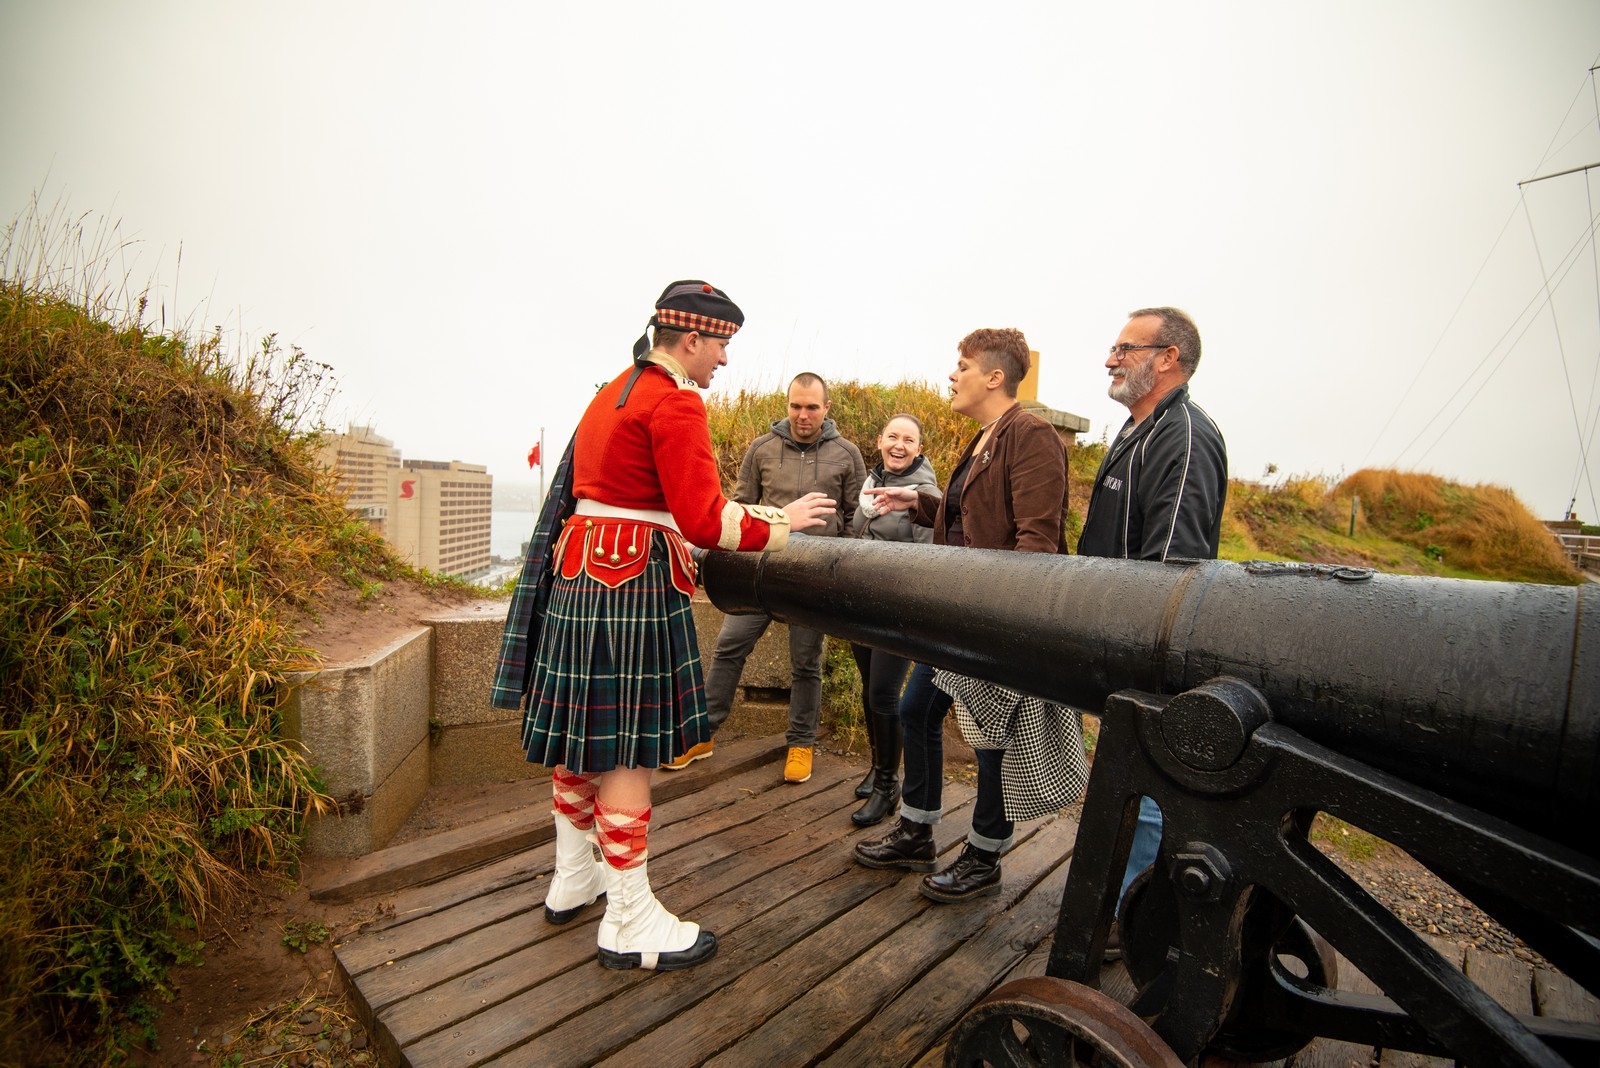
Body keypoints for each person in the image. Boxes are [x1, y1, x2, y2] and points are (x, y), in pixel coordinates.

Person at [490, 280, 834, 972]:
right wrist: (783, 523)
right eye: (722, 347)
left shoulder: (613, 389)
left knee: (583, 737)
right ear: (693, 339)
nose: (725, 363)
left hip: (580, 576)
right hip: (631, 583)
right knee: (623, 753)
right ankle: (628, 918)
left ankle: (575, 877)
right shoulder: (673, 401)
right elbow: (706, 519)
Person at [853, 328, 1071, 903]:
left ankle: (984, 853)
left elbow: (1038, 541)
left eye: (962, 365)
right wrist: (918, 502)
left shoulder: (1032, 435)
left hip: (995, 618)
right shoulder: (986, 437)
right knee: (915, 708)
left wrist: (1004, 622)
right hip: (961, 614)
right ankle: (918, 828)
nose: (952, 375)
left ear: (994, 377)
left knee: (990, 736)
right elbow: (974, 515)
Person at [1078, 306, 1227, 952]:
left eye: (1123, 347)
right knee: (1126, 783)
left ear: (1168, 358)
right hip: (1114, 640)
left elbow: (1171, 565)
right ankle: (1118, 898)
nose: (1110, 358)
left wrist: (1138, 648)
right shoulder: (1134, 430)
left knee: (1147, 790)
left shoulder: (1185, 435)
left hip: (1149, 647)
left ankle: (1134, 915)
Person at [663, 373, 867, 785]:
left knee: (806, 663)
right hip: (760, 572)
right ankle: (702, 734)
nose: (803, 414)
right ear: (786, 404)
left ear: (826, 408)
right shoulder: (762, 448)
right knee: (728, 648)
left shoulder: (847, 454)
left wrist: (839, 571)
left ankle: (801, 742)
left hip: (814, 578)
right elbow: (740, 509)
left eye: (812, 407)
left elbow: (856, 520)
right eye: (796, 406)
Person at [848, 414, 940, 826]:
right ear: (880, 440)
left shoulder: (924, 493)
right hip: (860, 605)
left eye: (909, 440)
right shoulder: (871, 483)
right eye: (892, 437)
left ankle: (888, 784)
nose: (899, 445)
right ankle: (878, 765)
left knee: (885, 694)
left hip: (895, 609)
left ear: (919, 449)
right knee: (871, 690)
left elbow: (928, 561)